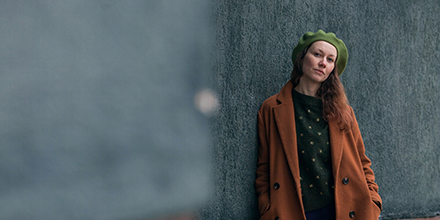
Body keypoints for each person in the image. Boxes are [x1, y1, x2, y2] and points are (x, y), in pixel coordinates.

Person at [255, 30, 382, 220]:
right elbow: (264, 166)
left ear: (333, 69)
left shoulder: (344, 112)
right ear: (302, 57)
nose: (323, 62)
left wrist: (373, 200)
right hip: (293, 210)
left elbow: (363, 163)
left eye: (330, 59)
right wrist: (267, 206)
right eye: (317, 54)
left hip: (344, 209)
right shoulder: (272, 108)